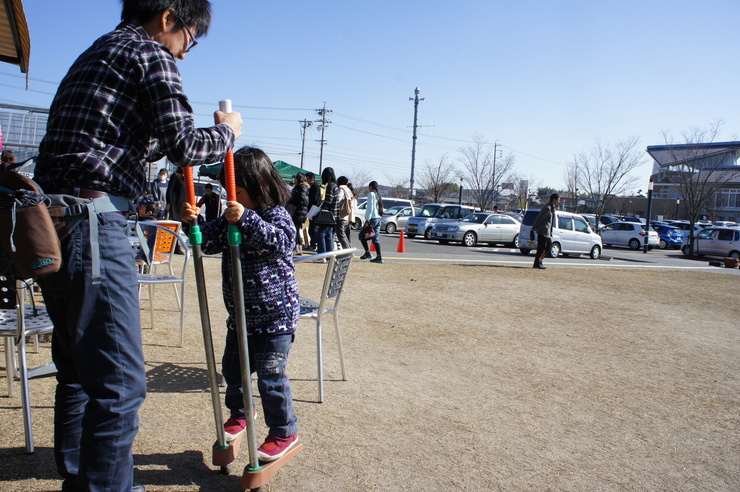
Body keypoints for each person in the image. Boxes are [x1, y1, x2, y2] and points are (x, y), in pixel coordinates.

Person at [32, 1, 243, 490]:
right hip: (93, 225)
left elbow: (125, 141)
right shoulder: (152, 53)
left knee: (78, 369)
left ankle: (82, 473)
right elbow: (186, 146)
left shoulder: (97, 51)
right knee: (121, 382)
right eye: (189, 39)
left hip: (51, 222)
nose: (185, 54)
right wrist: (228, 134)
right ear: (169, 18)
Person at [180, 146, 300, 463]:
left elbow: (282, 242)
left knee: (271, 377)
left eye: (237, 192)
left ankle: (284, 432)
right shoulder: (230, 217)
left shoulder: (275, 215)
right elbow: (205, 241)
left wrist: (246, 219)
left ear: (257, 188)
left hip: (276, 317)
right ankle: (241, 412)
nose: (231, 198)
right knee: (233, 371)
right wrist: (190, 223)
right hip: (242, 317)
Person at [531, 193, 560, 269]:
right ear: (554, 199)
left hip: (547, 231)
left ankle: (539, 262)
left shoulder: (552, 207)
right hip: (543, 230)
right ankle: (537, 263)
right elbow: (540, 218)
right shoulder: (547, 207)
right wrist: (534, 227)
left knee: (548, 247)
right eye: (558, 199)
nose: (559, 201)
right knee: (542, 248)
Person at [316, 167, 339, 256]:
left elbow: (328, 200)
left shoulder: (330, 186)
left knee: (321, 234)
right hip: (334, 215)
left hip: (327, 215)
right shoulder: (335, 185)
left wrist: (321, 205)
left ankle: (321, 256)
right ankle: (329, 256)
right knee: (329, 235)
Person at [359, 180, 384, 263]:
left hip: (372, 218)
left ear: (370, 187)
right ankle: (379, 257)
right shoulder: (378, 195)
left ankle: (367, 253)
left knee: (361, 235)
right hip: (378, 218)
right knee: (375, 238)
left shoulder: (371, 194)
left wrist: (367, 219)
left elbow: (370, 207)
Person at [286, 172, 309, 255]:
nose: (294, 180)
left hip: (298, 212)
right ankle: (299, 247)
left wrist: (292, 195)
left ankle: (296, 247)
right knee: (297, 230)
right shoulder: (305, 187)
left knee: (295, 229)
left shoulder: (300, 187)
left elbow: (301, 198)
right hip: (302, 212)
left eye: (296, 178)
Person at [335, 176, 353, 248]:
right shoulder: (348, 190)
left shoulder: (341, 189)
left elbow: (338, 199)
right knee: (343, 234)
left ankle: (347, 251)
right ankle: (348, 249)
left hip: (341, 214)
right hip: (346, 215)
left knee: (340, 235)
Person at [306, 172, 321, 250]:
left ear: (311, 179)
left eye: (307, 178)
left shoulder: (315, 186)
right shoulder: (313, 186)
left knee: (313, 228)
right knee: (312, 227)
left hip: (314, 209)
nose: (306, 180)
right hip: (313, 209)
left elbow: (314, 198)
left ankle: (313, 244)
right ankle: (313, 243)